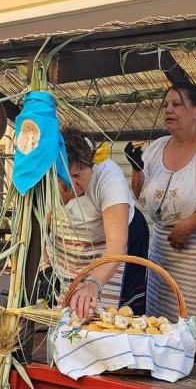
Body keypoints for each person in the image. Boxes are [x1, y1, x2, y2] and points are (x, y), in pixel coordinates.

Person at [126, 83, 196, 363]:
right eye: (166, 104)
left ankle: (195, 363)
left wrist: (186, 227)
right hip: (163, 243)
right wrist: (136, 169)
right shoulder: (157, 147)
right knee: (160, 308)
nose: (169, 109)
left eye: (177, 104)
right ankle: (161, 360)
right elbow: (142, 196)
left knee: (195, 314)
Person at [53, 128, 149, 321]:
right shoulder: (45, 177)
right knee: (69, 308)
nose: (71, 184)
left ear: (92, 167)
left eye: (78, 175)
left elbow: (116, 244)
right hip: (73, 244)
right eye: (64, 177)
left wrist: (93, 283)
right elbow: (41, 228)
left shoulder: (108, 175)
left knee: (112, 314)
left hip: (115, 239)